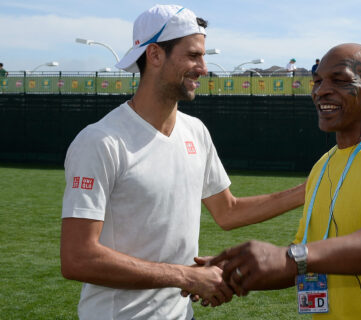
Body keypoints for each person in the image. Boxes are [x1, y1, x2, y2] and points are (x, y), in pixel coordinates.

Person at [60, 5, 304, 320]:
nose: (203, 67)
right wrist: (187, 277)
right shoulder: (101, 141)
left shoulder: (196, 131)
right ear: (155, 55)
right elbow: (77, 258)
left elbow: (227, 211)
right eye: (193, 56)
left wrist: (310, 189)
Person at [209, 43, 361, 319]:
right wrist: (232, 274)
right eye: (317, 81)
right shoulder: (322, 166)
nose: (321, 91)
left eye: (340, 80)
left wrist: (291, 257)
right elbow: (304, 257)